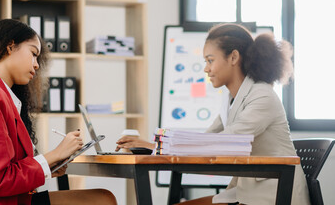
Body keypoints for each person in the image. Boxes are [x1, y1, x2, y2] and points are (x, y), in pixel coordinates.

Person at [116, 23, 310, 205]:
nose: (206, 68)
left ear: (233, 57)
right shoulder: (231, 99)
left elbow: (226, 142)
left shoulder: (262, 96)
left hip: (273, 195)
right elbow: (205, 141)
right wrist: (154, 147)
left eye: (210, 60)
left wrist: (154, 146)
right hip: (245, 192)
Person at [0, 19, 117, 205]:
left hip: (13, 199)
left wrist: (46, 166)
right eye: (33, 53)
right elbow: (0, 181)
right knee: (103, 200)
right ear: (10, 47)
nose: (36, 65)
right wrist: (55, 154)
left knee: (103, 198)